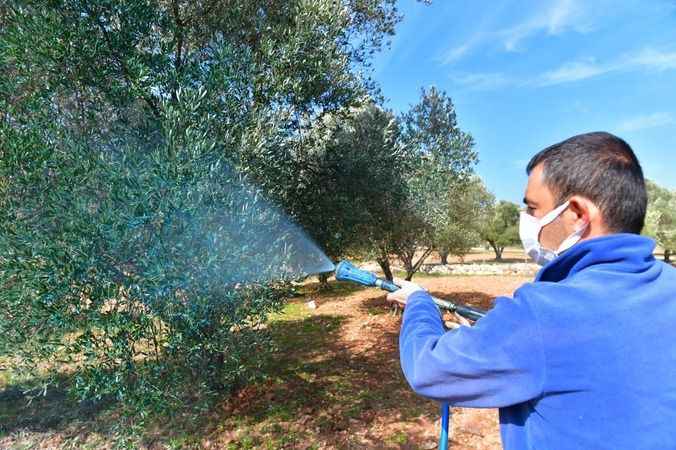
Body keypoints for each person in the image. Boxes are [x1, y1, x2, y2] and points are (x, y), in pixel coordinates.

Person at [387, 132, 676, 450]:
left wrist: (418, 303)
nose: (525, 221)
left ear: (577, 214)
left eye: (533, 208)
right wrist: (490, 334)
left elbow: (428, 368)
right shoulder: (667, 284)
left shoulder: (543, 313)